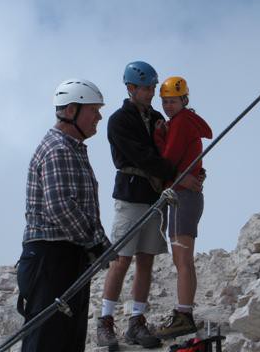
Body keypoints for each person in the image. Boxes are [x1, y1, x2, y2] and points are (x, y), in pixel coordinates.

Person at [97, 61, 202, 350]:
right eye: (146, 87)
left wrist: (186, 171)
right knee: (121, 259)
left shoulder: (156, 117)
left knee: (146, 259)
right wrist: (179, 174)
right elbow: (143, 157)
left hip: (153, 196)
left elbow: (170, 149)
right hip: (131, 196)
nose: (151, 91)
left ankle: (136, 321)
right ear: (131, 88)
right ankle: (105, 321)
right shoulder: (120, 120)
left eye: (153, 87)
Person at [17, 79, 113, 352]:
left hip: (65, 257)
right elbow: (60, 206)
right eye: (93, 110)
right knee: (47, 341)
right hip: (50, 259)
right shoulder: (58, 150)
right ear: (71, 110)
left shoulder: (71, 148)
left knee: (67, 339)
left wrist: (97, 245)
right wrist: (96, 243)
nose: (99, 117)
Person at [153, 76, 212, 339]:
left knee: (182, 260)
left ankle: (184, 315)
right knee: (184, 260)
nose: (167, 106)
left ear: (184, 100)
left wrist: (157, 135)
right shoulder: (185, 122)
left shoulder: (179, 123)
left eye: (172, 101)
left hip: (181, 197)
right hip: (187, 196)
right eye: (165, 102)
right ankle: (184, 312)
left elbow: (168, 158)